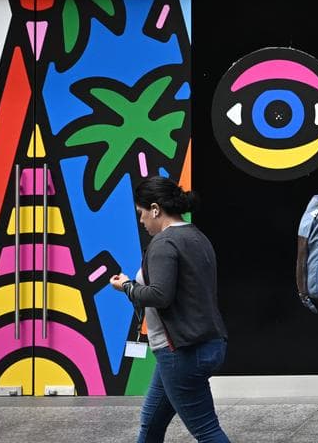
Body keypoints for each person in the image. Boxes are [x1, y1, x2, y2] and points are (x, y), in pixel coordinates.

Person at [110, 176, 230, 443]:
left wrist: (127, 287)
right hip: (206, 343)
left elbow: (160, 295)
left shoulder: (164, 244)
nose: (141, 221)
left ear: (155, 209)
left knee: (207, 431)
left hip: (180, 352)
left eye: (141, 214)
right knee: (150, 424)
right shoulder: (197, 236)